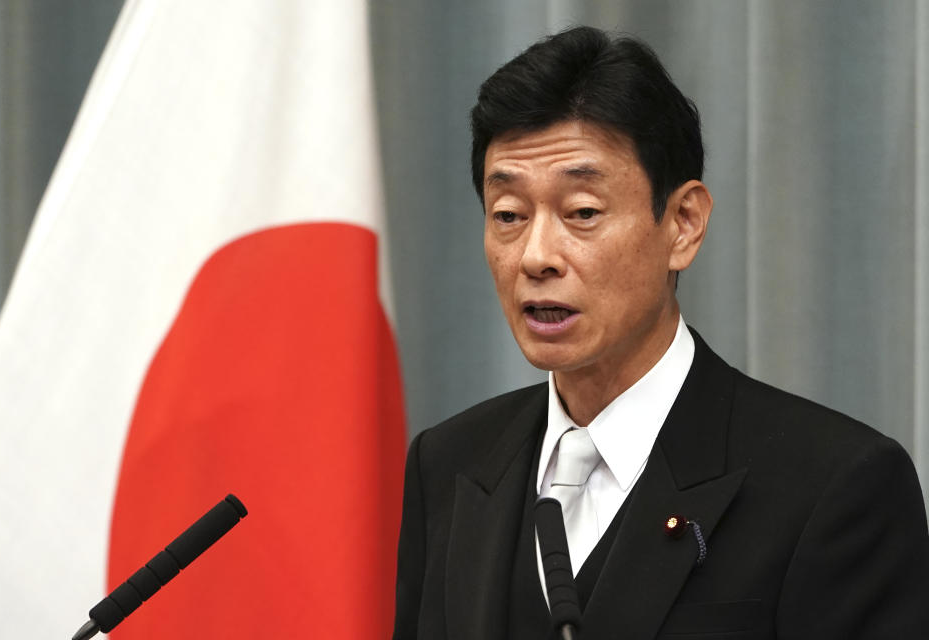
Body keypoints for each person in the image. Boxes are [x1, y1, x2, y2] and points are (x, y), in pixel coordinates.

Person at [392, 26, 929, 640]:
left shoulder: (835, 485)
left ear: (683, 224)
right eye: (508, 216)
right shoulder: (450, 464)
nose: (535, 255)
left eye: (582, 213)